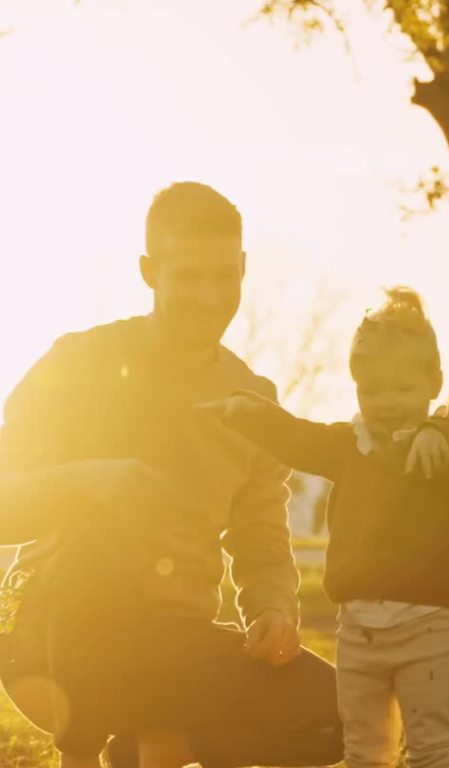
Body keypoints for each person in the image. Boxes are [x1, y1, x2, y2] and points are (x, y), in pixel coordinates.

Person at [0, 182, 343, 768]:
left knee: (338, 715)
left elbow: (261, 537)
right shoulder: (78, 364)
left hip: (174, 643)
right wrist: (85, 480)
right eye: (189, 277)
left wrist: (272, 610)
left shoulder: (253, 403)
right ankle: (93, 747)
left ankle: (141, 748)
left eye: (224, 277)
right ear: (149, 271)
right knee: (104, 570)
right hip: (51, 634)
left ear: (242, 268)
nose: (211, 298)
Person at [197, 287, 449, 768]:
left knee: (433, 749)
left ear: (434, 382)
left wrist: (440, 433)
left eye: (403, 388)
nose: (387, 402)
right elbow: (297, 439)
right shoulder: (349, 447)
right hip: (358, 634)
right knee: (364, 751)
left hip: (427, 632)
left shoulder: (445, 449)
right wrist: (247, 413)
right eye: (371, 389)